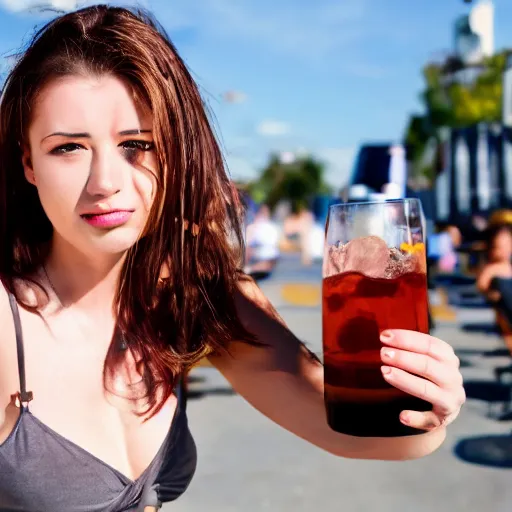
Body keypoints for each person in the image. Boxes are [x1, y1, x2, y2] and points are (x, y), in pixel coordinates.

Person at [0, 5, 465, 511]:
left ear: (174, 152)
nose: (105, 182)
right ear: (28, 161)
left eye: (137, 145)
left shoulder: (193, 296)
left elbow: (358, 433)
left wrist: (428, 409)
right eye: (69, 148)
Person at [477, 221, 512, 355]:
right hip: (506, 310)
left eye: (507, 246)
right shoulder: (492, 269)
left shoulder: (509, 266)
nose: (503, 251)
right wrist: (491, 294)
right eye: (499, 247)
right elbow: (481, 285)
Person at [244, 204, 280, 280]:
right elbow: (248, 244)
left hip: (265, 256)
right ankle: (250, 268)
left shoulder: (270, 227)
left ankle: (250, 269)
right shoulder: (254, 227)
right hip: (259, 256)